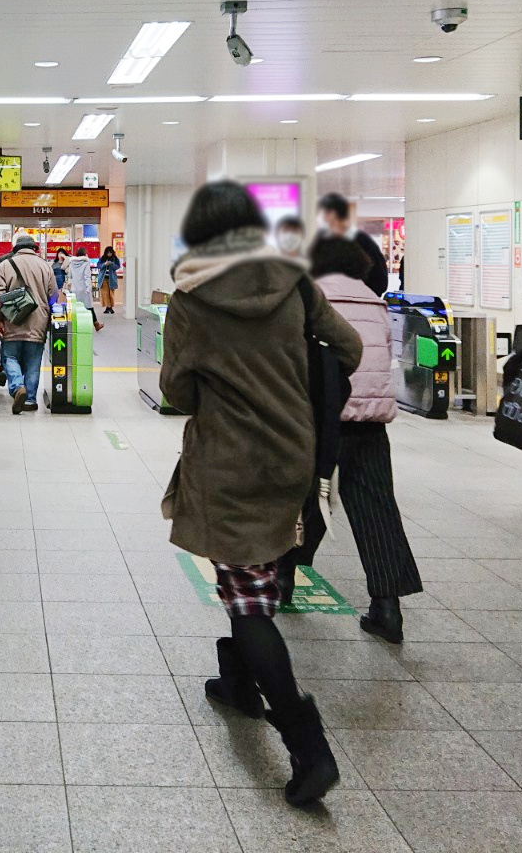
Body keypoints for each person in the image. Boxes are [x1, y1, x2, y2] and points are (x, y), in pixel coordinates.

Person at [160, 180, 361, 807]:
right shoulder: (296, 283)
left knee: (247, 600)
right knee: (264, 569)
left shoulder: (189, 300)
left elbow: (177, 393)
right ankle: (238, 683)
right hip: (293, 458)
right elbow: (349, 348)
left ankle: (307, 744)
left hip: (229, 465)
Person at [309, 235, 423, 642]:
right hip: (370, 420)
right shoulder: (376, 302)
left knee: (303, 497)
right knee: (376, 507)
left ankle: (284, 578)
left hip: (320, 417)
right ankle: (388, 607)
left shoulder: (313, 297)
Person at [0, 233, 57, 414]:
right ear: (34, 249)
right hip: (38, 321)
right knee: (33, 361)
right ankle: (30, 400)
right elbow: (54, 295)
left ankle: (18, 386)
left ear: (16, 249)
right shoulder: (45, 266)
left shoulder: (5, 265)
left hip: (12, 320)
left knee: (10, 357)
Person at [316, 193, 388, 296]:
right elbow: (380, 281)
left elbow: (379, 282)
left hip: (347, 301)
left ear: (331, 214)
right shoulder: (364, 241)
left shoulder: (362, 241)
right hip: (357, 302)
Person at [66, 247, 103, 332]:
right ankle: (96, 324)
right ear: (85, 254)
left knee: (75, 308)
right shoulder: (86, 263)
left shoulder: (72, 263)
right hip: (84, 289)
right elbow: (87, 276)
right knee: (89, 307)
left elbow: (70, 276)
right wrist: (89, 288)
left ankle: (75, 325)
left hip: (74, 289)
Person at [98, 245, 122, 313]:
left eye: (110, 253)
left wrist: (111, 264)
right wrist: (105, 264)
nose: (109, 254)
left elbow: (118, 266)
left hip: (112, 279)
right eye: (108, 253)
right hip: (103, 279)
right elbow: (98, 266)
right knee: (105, 293)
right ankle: (108, 307)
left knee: (111, 293)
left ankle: (110, 307)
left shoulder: (115, 258)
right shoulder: (102, 258)